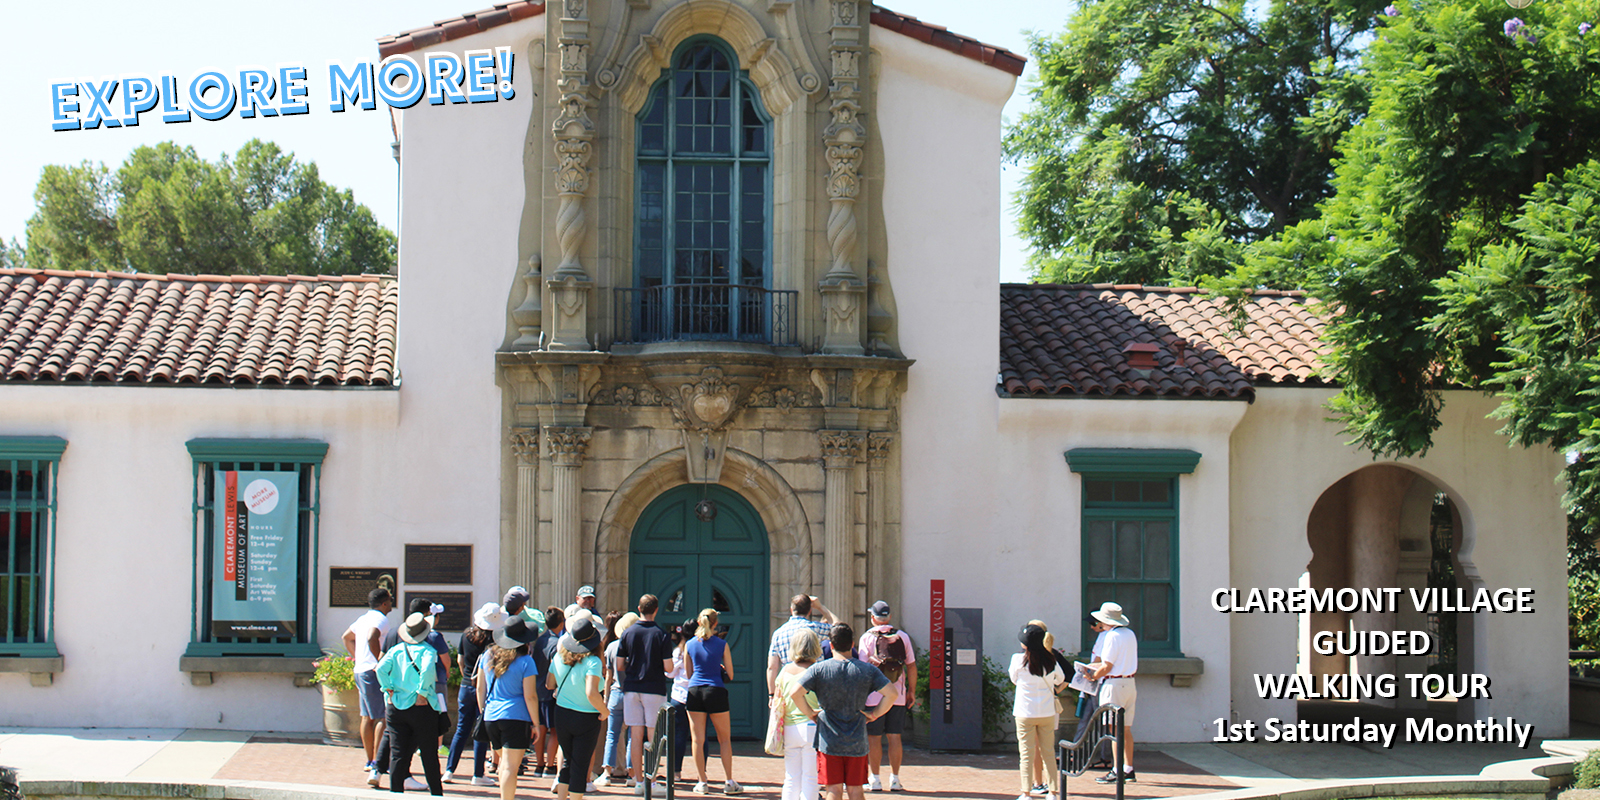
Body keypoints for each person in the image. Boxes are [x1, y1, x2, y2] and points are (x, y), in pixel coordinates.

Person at [788, 623, 898, 800]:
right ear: (852, 644)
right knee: (856, 790)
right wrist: (874, 714)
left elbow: (795, 693)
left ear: (831, 645)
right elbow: (892, 694)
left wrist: (810, 713)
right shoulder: (867, 670)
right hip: (857, 739)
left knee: (833, 790)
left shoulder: (819, 669)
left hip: (828, 739)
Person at [378, 600, 454, 790]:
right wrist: (421, 693)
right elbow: (427, 671)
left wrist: (387, 688)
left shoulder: (395, 650)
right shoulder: (428, 651)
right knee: (429, 753)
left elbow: (380, 668)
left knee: (398, 754)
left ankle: (395, 792)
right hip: (421, 708)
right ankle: (436, 793)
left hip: (396, 706)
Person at [477, 616, 541, 800]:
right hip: (516, 717)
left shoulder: (487, 656)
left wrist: (483, 711)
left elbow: (480, 688)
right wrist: (536, 724)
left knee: (504, 764)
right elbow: (530, 696)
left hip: (491, 715)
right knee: (509, 767)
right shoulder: (526, 661)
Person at [616, 593, 672, 795]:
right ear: (655, 610)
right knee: (653, 736)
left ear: (639, 609)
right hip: (654, 688)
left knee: (635, 735)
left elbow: (619, 664)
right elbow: (668, 667)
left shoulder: (627, 633)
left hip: (632, 687)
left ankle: (639, 781)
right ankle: (652, 781)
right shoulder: (661, 634)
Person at [858, 601, 916, 792]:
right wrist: (911, 691)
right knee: (895, 736)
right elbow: (911, 666)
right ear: (889, 617)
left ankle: (875, 779)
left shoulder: (867, 638)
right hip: (897, 696)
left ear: (872, 618)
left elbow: (862, 668)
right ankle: (895, 779)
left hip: (874, 696)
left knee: (874, 738)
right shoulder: (902, 637)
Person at [549, 615, 609, 800]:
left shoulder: (558, 657)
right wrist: (604, 711)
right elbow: (591, 692)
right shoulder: (593, 662)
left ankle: (561, 798)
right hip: (586, 717)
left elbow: (549, 684)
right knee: (580, 765)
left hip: (562, 713)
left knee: (567, 761)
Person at [447, 603, 503, 786]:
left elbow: (460, 660)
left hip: (466, 686)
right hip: (484, 687)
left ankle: (449, 770)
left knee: (461, 729)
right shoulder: (495, 640)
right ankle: (478, 774)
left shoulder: (466, 635)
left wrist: (466, 676)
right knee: (481, 730)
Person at [686, 608, 740, 795]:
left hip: (695, 690)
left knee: (697, 739)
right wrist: (720, 668)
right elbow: (730, 674)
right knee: (724, 739)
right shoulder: (722, 644)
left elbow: (688, 673)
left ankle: (702, 781)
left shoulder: (690, 644)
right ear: (716, 623)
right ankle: (729, 781)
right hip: (715, 690)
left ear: (699, 622)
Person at [343, 587, 394, 786]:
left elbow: (346, 637)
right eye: (390, 600)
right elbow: (373, 636)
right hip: (372, 672)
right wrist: (379, 662)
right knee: (382, 717)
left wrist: (358, 658)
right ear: (384, 603)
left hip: (360, 670)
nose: (391, 603)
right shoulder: (381, 619)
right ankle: (377, 762)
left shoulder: (363, 619)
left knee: (367, 716)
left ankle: (370, 760)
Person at [1010, 623, 1065, 800]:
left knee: (1026, 754)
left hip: (1024, 711)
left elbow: (1014, 679)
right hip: (1046, 712)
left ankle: (1026, 792)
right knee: (1048, 752)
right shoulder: (1050, 660)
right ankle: (1053, 792)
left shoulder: (1017, 660)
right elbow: (1060, 679)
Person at [1086, 602, 1138, 784]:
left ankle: (1117, 770)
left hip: (1114, 684)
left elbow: (1107, 666)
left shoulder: (1111, 636)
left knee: (1114, 729)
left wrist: (1092, 676)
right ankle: (1128, 768)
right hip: (1129, 682)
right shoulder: (1129, 634)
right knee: (1126, 729)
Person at [774, 629, 822, 800]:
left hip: (789, 727)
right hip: (811, 725)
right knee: (811, 777)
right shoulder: (816, 671)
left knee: (791, 777)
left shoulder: (785, 671)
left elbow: (778, 698)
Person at [766, 594, 838, 698]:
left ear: (791, 610)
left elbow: (772, 667)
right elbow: (839, 630)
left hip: (789, 688)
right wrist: (821, 607)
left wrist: (771, 695)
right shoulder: (815, 627)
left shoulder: (778, 633)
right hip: (814, 686)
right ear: (809, 611)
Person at [597, 611, 634, 787]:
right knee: (633, 736)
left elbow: (608, 676)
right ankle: (632, 774)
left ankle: (606, 773)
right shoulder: (637, 646)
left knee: (611, 735)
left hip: (615, 693)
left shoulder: (612, 646)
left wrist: (605, 699)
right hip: (632, 694)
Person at [533, 606, 568, 778]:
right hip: (551, 691)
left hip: (538, 689)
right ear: (561, 623)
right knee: (555, 730)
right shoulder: (557, 644)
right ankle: (549, 765)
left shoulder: (540, 640)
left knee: (540, 728)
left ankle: (539, 764)